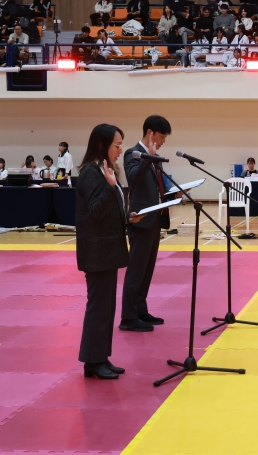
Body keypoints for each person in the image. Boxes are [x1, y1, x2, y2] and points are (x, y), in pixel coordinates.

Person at [76, 123, 145, 379]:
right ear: (102, 145)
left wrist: (128, 217)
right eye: (117, 145)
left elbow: (106, 212)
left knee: (106, 307)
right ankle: (92, 362)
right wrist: (108, 185)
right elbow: (94, 211)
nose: (120, 149)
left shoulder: (104, 171)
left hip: (108, 250)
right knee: (98, 307)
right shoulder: (91, 173)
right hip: (97, 252)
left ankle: (100, 358)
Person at [121, 115, 172, 333]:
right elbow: (133, 178)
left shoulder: (155, 157)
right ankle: (128, 317)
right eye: (162, 136)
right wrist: (147, 158)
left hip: (154, 219)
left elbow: (159, 186)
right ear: (150, 133)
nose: (163, 141)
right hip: (140, 220)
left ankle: (140, 310)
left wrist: (174, 192)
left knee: (147, 270)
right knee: (136, 270)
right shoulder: (133, 154)